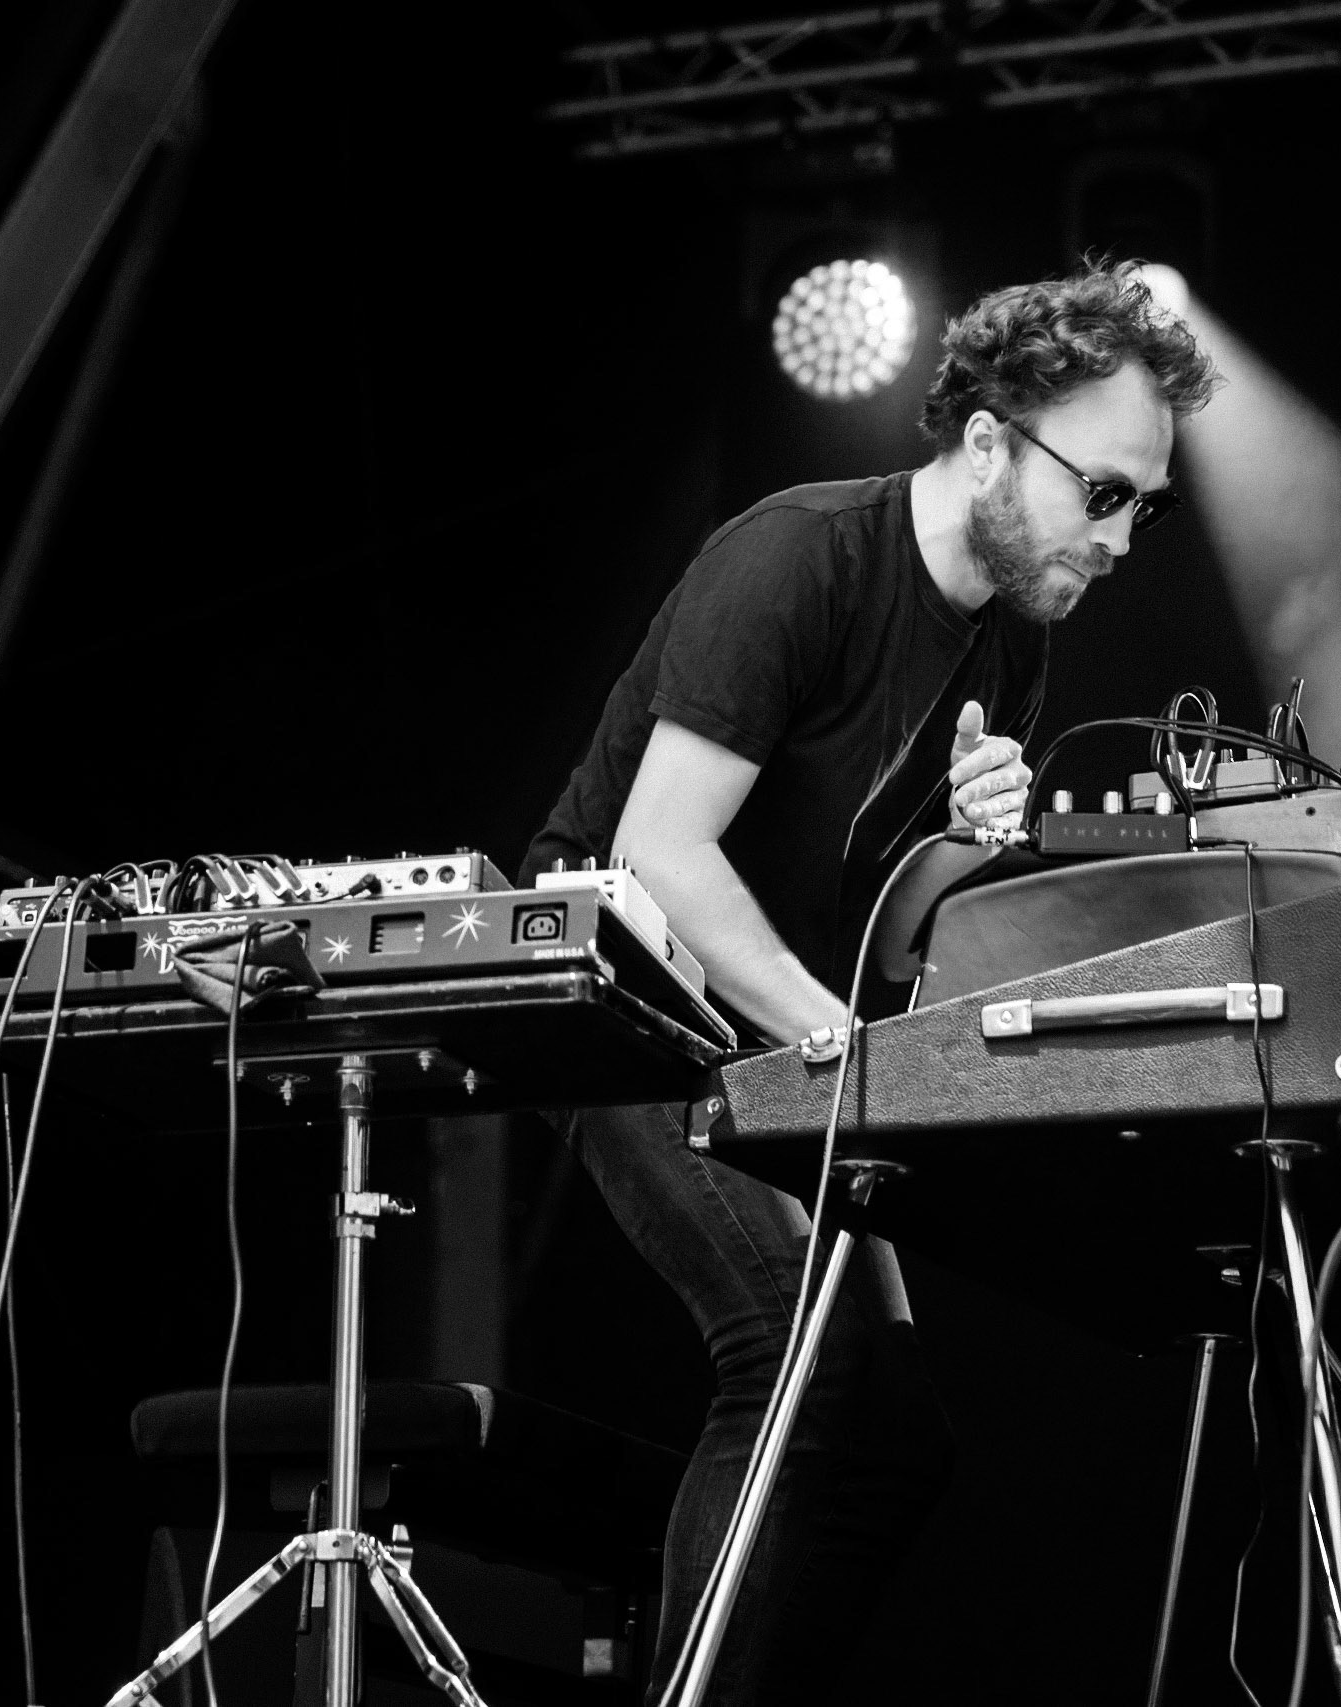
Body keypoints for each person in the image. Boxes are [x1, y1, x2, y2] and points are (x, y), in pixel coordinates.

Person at [521, 259, 1218, 1704]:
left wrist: (961, 846)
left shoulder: (1010, 644)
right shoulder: (797, 557)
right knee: (799, 1361)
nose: (1127, 538)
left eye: (1146, 506)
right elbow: (658, 852)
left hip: (767, 1021)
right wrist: (834, 1034)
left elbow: (891, 924)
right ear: (986, 443)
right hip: (621, 1000)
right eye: (1104, 493)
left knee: (892, 1439)